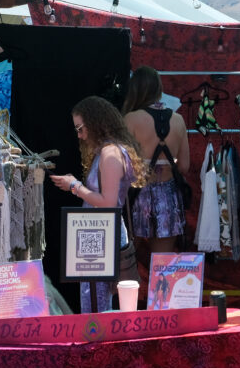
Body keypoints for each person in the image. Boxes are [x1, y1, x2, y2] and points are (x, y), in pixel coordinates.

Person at [51, 96, 149, 311]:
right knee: (95, 298)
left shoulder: (110, 153)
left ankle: (100, 334)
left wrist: (74, 186)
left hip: (104, 234)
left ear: (95, 123)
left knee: (98, 301)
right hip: (98, 233)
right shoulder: (108, 151)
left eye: (81, 128)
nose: (79, 135)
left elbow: (109, 204)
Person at [122, 67, 191, 257]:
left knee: (126, 257)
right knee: (163, 262)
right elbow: (184, 166)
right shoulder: (178, 120)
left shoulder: (131, 119)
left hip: (137, 195)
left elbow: (122, 166)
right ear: (158, 89)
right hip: (168, 197)